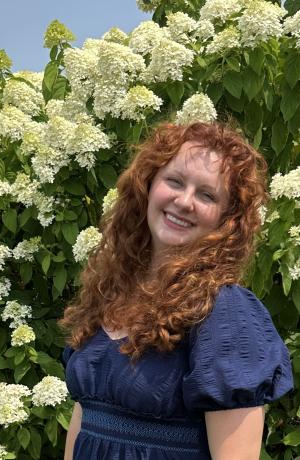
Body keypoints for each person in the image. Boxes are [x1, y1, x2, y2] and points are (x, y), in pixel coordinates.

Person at [60, 122, 293, 460]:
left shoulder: (223, 311)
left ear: (226, 219)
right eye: (175, 181)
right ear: (148, 185)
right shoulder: (110, 289)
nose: (184, 202)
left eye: (207, 195)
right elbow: (85, 418)